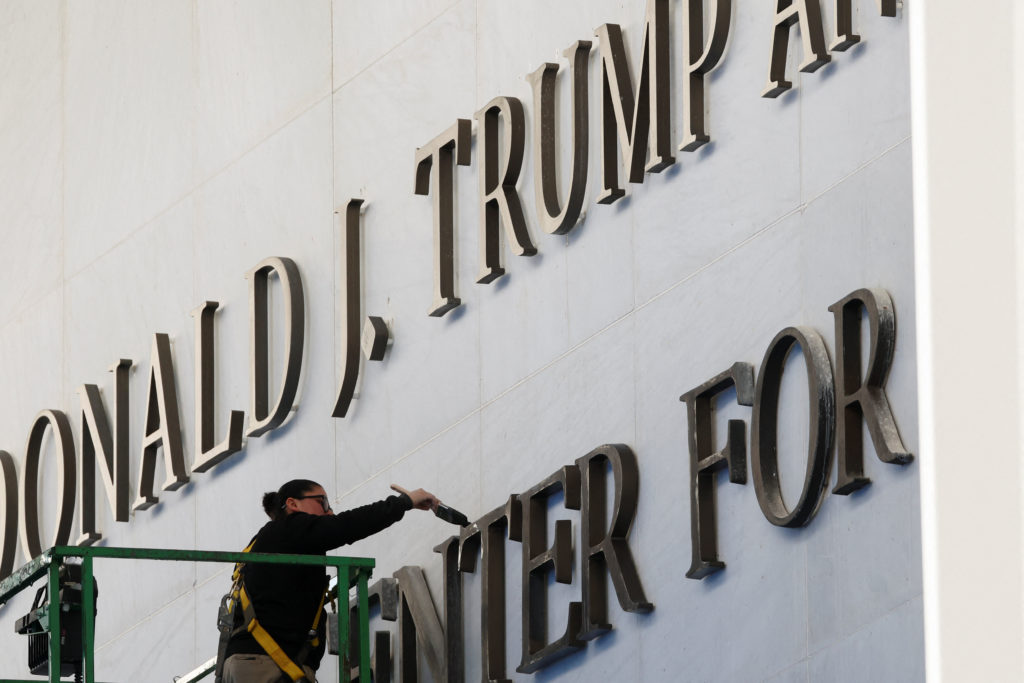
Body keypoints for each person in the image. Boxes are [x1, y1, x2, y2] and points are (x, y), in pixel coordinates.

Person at [219, 479, 439, 683]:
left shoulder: (266, 542)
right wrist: (404, 503)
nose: (330, 511)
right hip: (266, 663)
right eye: (322, 502)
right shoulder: (289, 528)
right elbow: (347, 526)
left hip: (253, 661)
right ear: (292, 504)